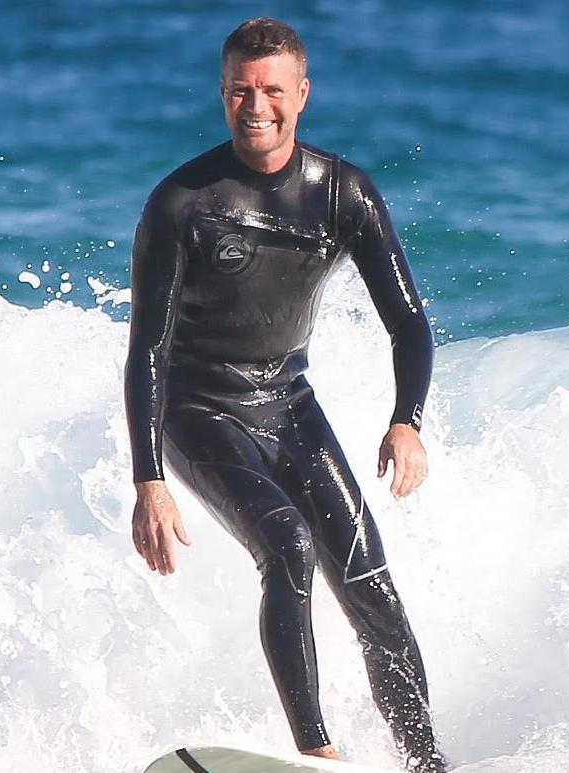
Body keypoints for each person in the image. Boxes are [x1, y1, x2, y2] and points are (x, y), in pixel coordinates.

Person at [124, 17, 446, 773]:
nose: (255, 104)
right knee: (287, 545)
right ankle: (314, 750)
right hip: (197, 408)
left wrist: (407, 420)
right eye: (240, 88)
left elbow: (408, 324)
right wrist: (149, 479)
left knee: (371, 583)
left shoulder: (342, 193)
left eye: (272, 89)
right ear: (223, 93)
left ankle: (428, 761)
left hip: (288, 402)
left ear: (301, 95)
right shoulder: (181, 202)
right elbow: (146, 352)